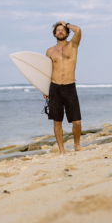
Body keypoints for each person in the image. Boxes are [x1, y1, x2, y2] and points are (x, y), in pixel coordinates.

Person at [44, 21, 82, 154]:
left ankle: (77, 145)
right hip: (54, 88)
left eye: (63, 30)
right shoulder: (50, 51)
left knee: (76, 122)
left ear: (67, 33)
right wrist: (44, 89)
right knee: (57, 121)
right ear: (54, 34)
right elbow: (46, 71)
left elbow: (78, 30)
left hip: (69, 86)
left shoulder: (73, 45)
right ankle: (62, 150)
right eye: (58, 30)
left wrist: (66, 24)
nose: (60, 31)